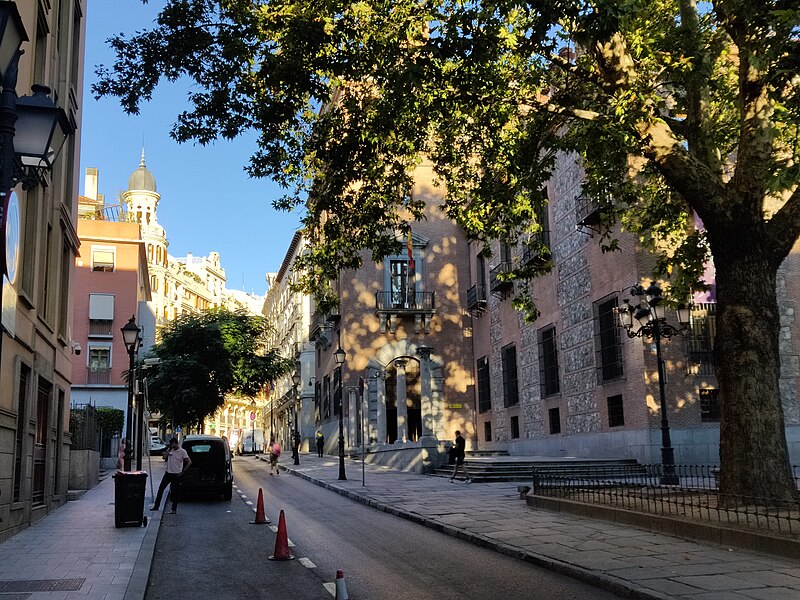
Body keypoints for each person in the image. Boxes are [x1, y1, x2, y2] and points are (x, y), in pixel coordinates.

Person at [150, 438, 191, 513]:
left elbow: (189, 462)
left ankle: (174, 509)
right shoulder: (170, 450)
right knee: (161, 489)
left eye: (172, 444)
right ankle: (156, 506)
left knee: (175, 492)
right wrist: (168, 451)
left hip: (176, 474)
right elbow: (164, 458)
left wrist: (183, 471)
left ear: (176, 443)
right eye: (171, 444)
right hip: (168, 473)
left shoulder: (182, 452)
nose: (171, 446)